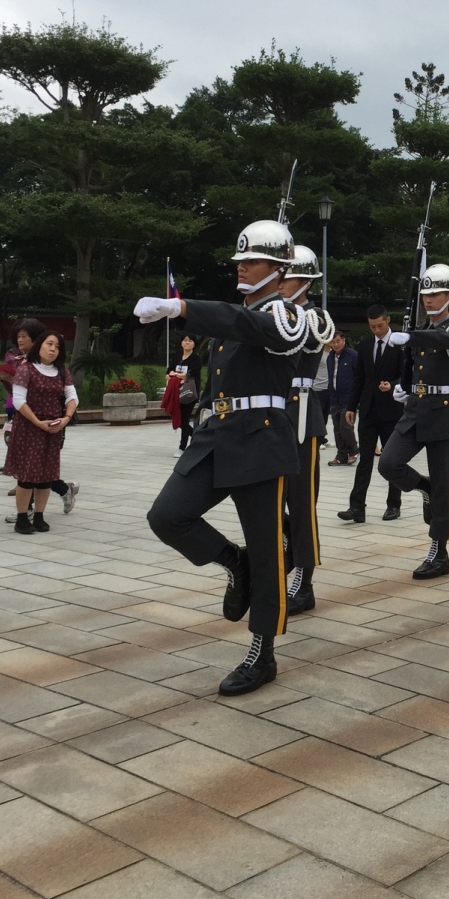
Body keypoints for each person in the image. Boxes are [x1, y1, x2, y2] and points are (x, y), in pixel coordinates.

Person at [136, 218, 313, 697]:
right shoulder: (236, 315)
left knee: (267, 551)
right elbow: (232, 334)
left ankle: (262, 652)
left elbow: (254, 327)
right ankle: (234, 563)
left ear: (277, 269)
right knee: (167, 515)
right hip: (217, 435)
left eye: (252, 260)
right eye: (240, 260)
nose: (241, 267)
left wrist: (183, 307)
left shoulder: (289, 316)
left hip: (261, 441)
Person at [379, 265, 449, 578]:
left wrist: (410, 336)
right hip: (416, 408)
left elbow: (446, 341)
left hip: (442, 413)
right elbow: (414, 366)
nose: (430, 299)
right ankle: (424, 487)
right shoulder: (419, 329)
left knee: (444, 485)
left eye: (437, 293)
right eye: (426, 294)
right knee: (388, 463)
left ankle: (439, 552)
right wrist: (402, 386)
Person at [276, 245, 335, 616]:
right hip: (273, 414)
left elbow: (306, 336)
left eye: (286, 277)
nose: (280, 283)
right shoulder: (274, 311)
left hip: (300, 417)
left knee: (300, 503)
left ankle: (304, 578)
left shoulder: (315, 316)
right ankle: (287, 550)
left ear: (306, 281)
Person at [0, 318, 79, 517]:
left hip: (52, 424)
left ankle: (37, 511)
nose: (20, 340)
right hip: (27, 423)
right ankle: (25, 512)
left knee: (42, 469)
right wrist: (6, 379)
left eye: (24, 336)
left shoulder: (60, 370)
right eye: (18, 336)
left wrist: (65, 418)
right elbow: (18, 396)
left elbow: (71, 396)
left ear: (36, 339)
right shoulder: (21, 363)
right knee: (28, 469)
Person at [338, 306, 405, 522]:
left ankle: (393, 504)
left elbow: (408, 375)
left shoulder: (400, 344)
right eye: (372, 326)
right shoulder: (366, 345)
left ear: (388, 320)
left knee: (391, 460)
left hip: (392, 410)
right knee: (364, 460)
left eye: (380, 326)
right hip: (368, 410)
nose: (376, 330)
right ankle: (357, 507)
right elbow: (359, 377)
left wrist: (393, 385)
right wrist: (351, 407)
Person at [167, 334, 202, 455]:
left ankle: (182, 447)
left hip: (189, 393)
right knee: (180, 419)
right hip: (176, 392)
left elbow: (190, 375)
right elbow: (168, 373)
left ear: (194, 344)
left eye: (190, 340)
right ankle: (197, 436)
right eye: (185, 340)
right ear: (181, 343)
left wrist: (176, 375)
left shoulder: (196, 359)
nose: (187, 342)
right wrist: (176, 375)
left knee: (184, 419)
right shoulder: (176, 358)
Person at [326, 332, 358, 465]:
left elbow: (359, 377)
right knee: (337, 429)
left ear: (344, 341)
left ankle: (353, 451)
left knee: (346, 426)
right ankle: (341, 455)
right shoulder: (330, 357)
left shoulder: (353, 356)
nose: (336, 344)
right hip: (335, 398)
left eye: (338, 341)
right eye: (333, 342)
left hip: (349, 398)